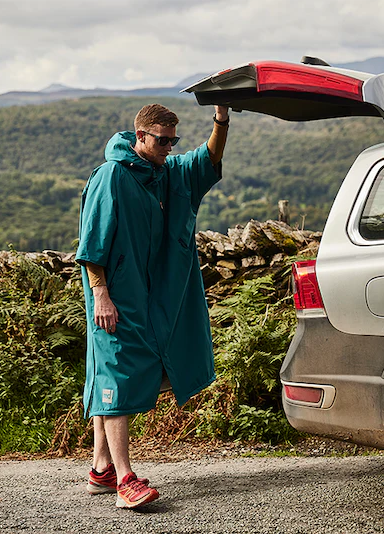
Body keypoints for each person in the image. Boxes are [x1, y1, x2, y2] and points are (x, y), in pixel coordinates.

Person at [75, 103, 230, 509]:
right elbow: (91, 244)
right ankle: (125, 479)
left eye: (173, 140)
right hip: (114, 298)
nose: (169, 147)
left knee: (121, 373)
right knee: (117, 381)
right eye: (162, 140)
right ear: (139, 136)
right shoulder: (112, 176)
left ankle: (101, 470)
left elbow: (207, 159)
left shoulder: (164, 173)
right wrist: (101, 295)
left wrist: (222, 118)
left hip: (147, 299)